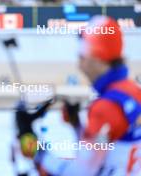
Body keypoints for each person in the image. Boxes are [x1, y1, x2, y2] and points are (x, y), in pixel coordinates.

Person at [39, 15, 141, 176]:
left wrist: (36, 151)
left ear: (98, 59)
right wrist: (77, 125)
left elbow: (80, 172)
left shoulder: (106, 107)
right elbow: (104, 150)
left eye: (82, 58)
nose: (79, 66)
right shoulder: (134, 91)